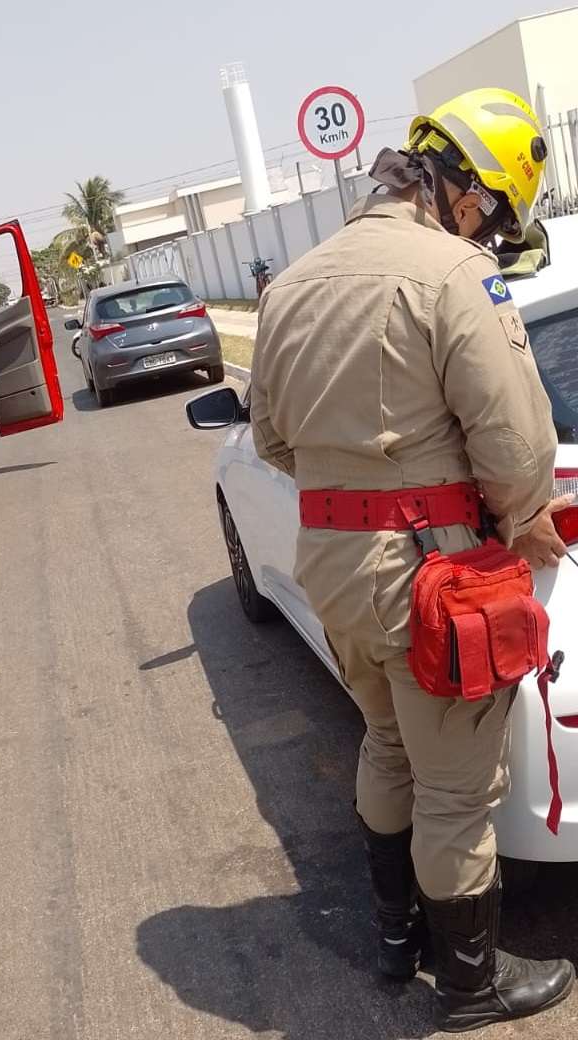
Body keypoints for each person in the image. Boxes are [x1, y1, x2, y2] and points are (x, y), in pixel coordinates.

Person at [250, 88, 575, 1033]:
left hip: (333, 567)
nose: (493, 232)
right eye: (496, 213)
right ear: (467, 191)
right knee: (458, 792)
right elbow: (517, 447)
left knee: (387, 742)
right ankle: (471, 985)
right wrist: (523, 522)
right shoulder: (453, 274)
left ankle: (396, 942)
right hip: (429, 576)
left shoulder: (295, 283)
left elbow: (272, 439)